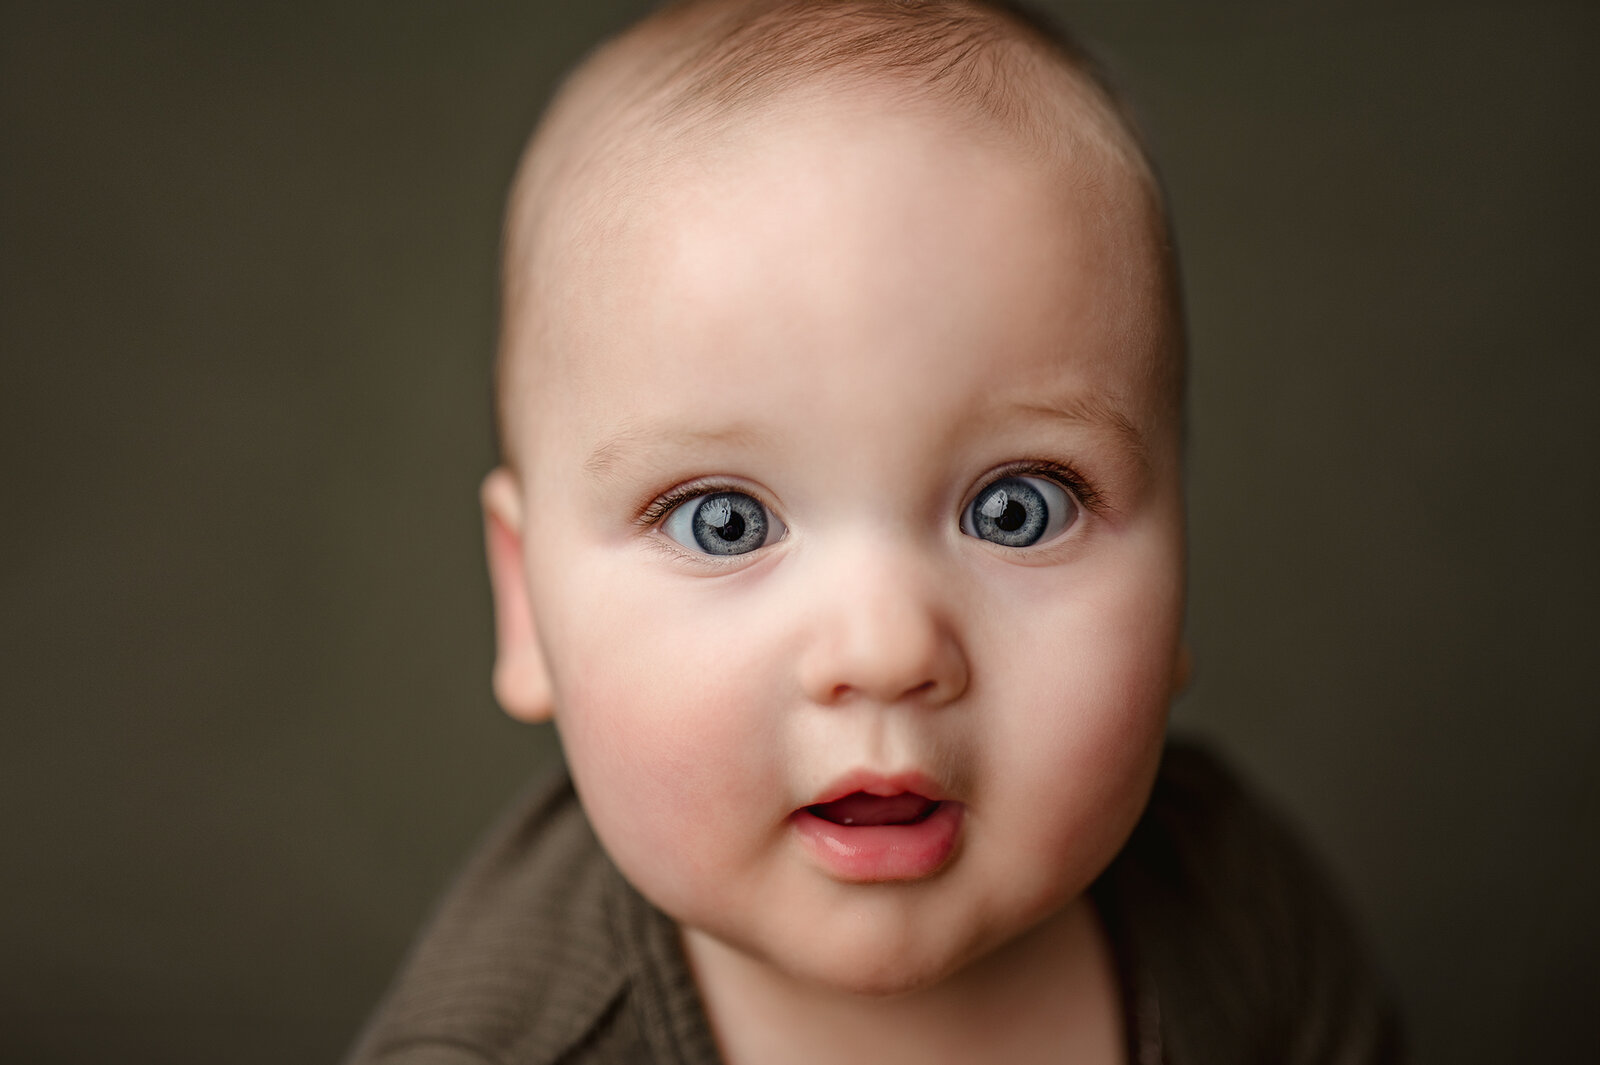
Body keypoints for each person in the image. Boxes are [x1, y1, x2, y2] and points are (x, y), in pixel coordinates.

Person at [346, 2, 1399, 1061]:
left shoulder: (1238, 909)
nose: (886, 649)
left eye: (1016, 509)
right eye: (724, 522)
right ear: (527, 604)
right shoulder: (503, 1044)